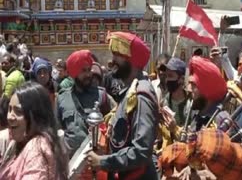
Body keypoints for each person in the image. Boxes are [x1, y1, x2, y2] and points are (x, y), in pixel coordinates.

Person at [86, 31, 159, 180]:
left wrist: (103, 162)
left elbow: (141, 151)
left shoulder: (141, 94)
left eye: (117, 55)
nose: (112, 61)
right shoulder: (129, 91)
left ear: (130, 59)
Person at [0, 82, 68, 179]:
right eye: (9, 109)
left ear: (36, 116)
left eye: (18, 111)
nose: (10, 117)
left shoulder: (36, 149)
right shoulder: (19, 142)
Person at [57, 50, 113, 157]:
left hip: (97, 163)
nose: (88, 74)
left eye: (89, 70)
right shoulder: (62, 98)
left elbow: (113, 123)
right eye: (83, 71)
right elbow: (57, 131)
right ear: (74, 73)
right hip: (71, 164)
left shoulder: (102, 95)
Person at [161, 57, 191, 127]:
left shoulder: (191, 104)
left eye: (170, 76)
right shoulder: (164, 102)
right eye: (166, 76)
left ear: (181, 79)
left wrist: (175, 128)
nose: (167, 80)